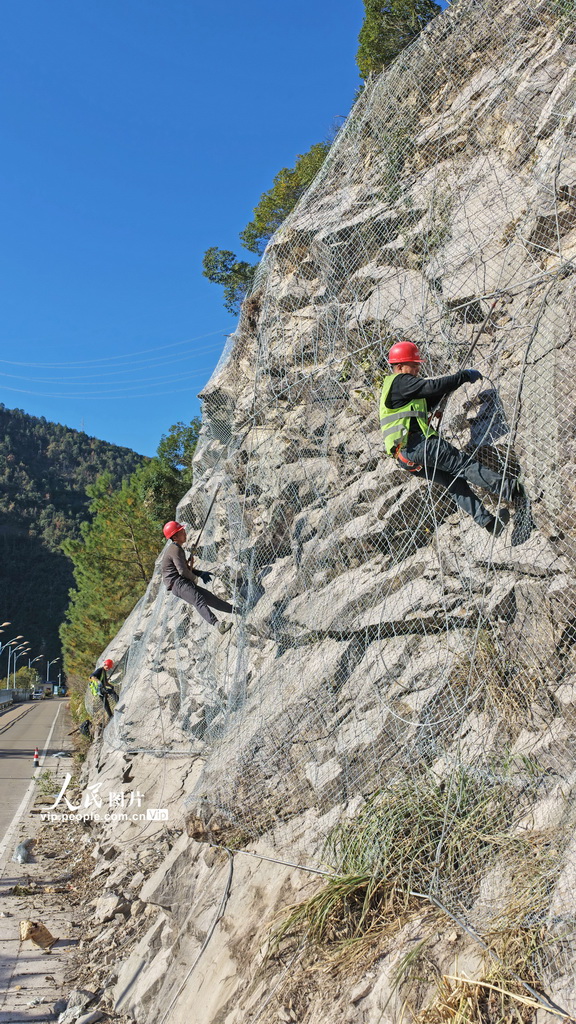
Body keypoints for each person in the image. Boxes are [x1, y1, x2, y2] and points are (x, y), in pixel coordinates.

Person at [379, 340, 533, 543]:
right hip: (420, 446)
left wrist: (445, 391)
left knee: (454, 482)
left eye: (418, 365)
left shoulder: (397, 390)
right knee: (464, 466)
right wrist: (462, 377)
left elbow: (429, 397)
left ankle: (488, 523)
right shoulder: (400, 381)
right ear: (399, 366)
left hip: (406, 457)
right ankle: (513, 490)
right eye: (414, 365)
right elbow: (431, 386)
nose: (418, 369)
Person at [161, 521, 233, 634]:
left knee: (209, 598)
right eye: (181, 531)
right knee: (198, 600)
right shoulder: (175, 550)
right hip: (178, 584)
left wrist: (200, 573)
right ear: (174, 536)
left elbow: (184, 568)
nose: (185, 533)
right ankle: (218, 625)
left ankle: (234, 610)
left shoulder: (177, 548)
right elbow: (182, 571)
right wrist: (194, 578)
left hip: (181, 582)